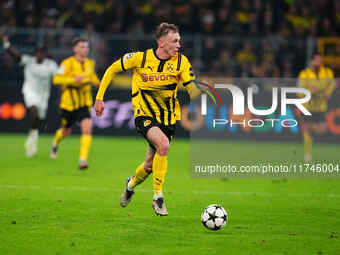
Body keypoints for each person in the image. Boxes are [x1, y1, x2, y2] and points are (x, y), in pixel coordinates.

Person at [94, 23, 199, 216]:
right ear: (161, 42)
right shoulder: (140, 58)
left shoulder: (181, 62)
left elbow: (191, 86)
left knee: (150, 165)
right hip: (144, 115)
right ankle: (158, 197)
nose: (179, 45)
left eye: (179, 41)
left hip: (168, 119)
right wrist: (99, 97)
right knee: (164, 145)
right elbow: (111, 69)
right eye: (175, 41)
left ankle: (131, 184)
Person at [2, 35, 58, 158]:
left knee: (39, 122)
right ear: (35, 53)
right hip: (30, 92)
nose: (39, 54)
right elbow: (16, 56)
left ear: (45, 54)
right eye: (38, 52)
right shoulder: (29, 61)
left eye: (42, 52)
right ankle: (32, 140)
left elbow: (59, 78)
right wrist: (6, 44)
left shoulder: (51, 65)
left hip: (44, 95)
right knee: (34, 111)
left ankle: (32, 139)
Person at [50, 37, 100, 169]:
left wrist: (100, 84)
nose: (85, 49)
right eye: (82, 47)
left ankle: (82, 160)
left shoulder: (90, 63)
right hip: (68, 104)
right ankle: (55, 142)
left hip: (84, 103)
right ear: (75, 49)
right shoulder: (67, 63)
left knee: (87, 129)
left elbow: (92, 77)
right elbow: (56, 79)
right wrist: (73, 80)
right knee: (66, 131)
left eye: (86, 47)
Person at [298, 53, 335, 162]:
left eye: (320, 60)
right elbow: (300, 91)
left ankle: (309, 129)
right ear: (312, 62)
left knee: (322, 129)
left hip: (321, 107)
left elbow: (331, 85)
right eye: (317, 60)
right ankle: (307, 154)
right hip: (308, 106)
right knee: (308, 132)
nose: (320, 62)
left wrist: (328, 93)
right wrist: (310, 91)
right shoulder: (304, 74)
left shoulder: (327, 72)